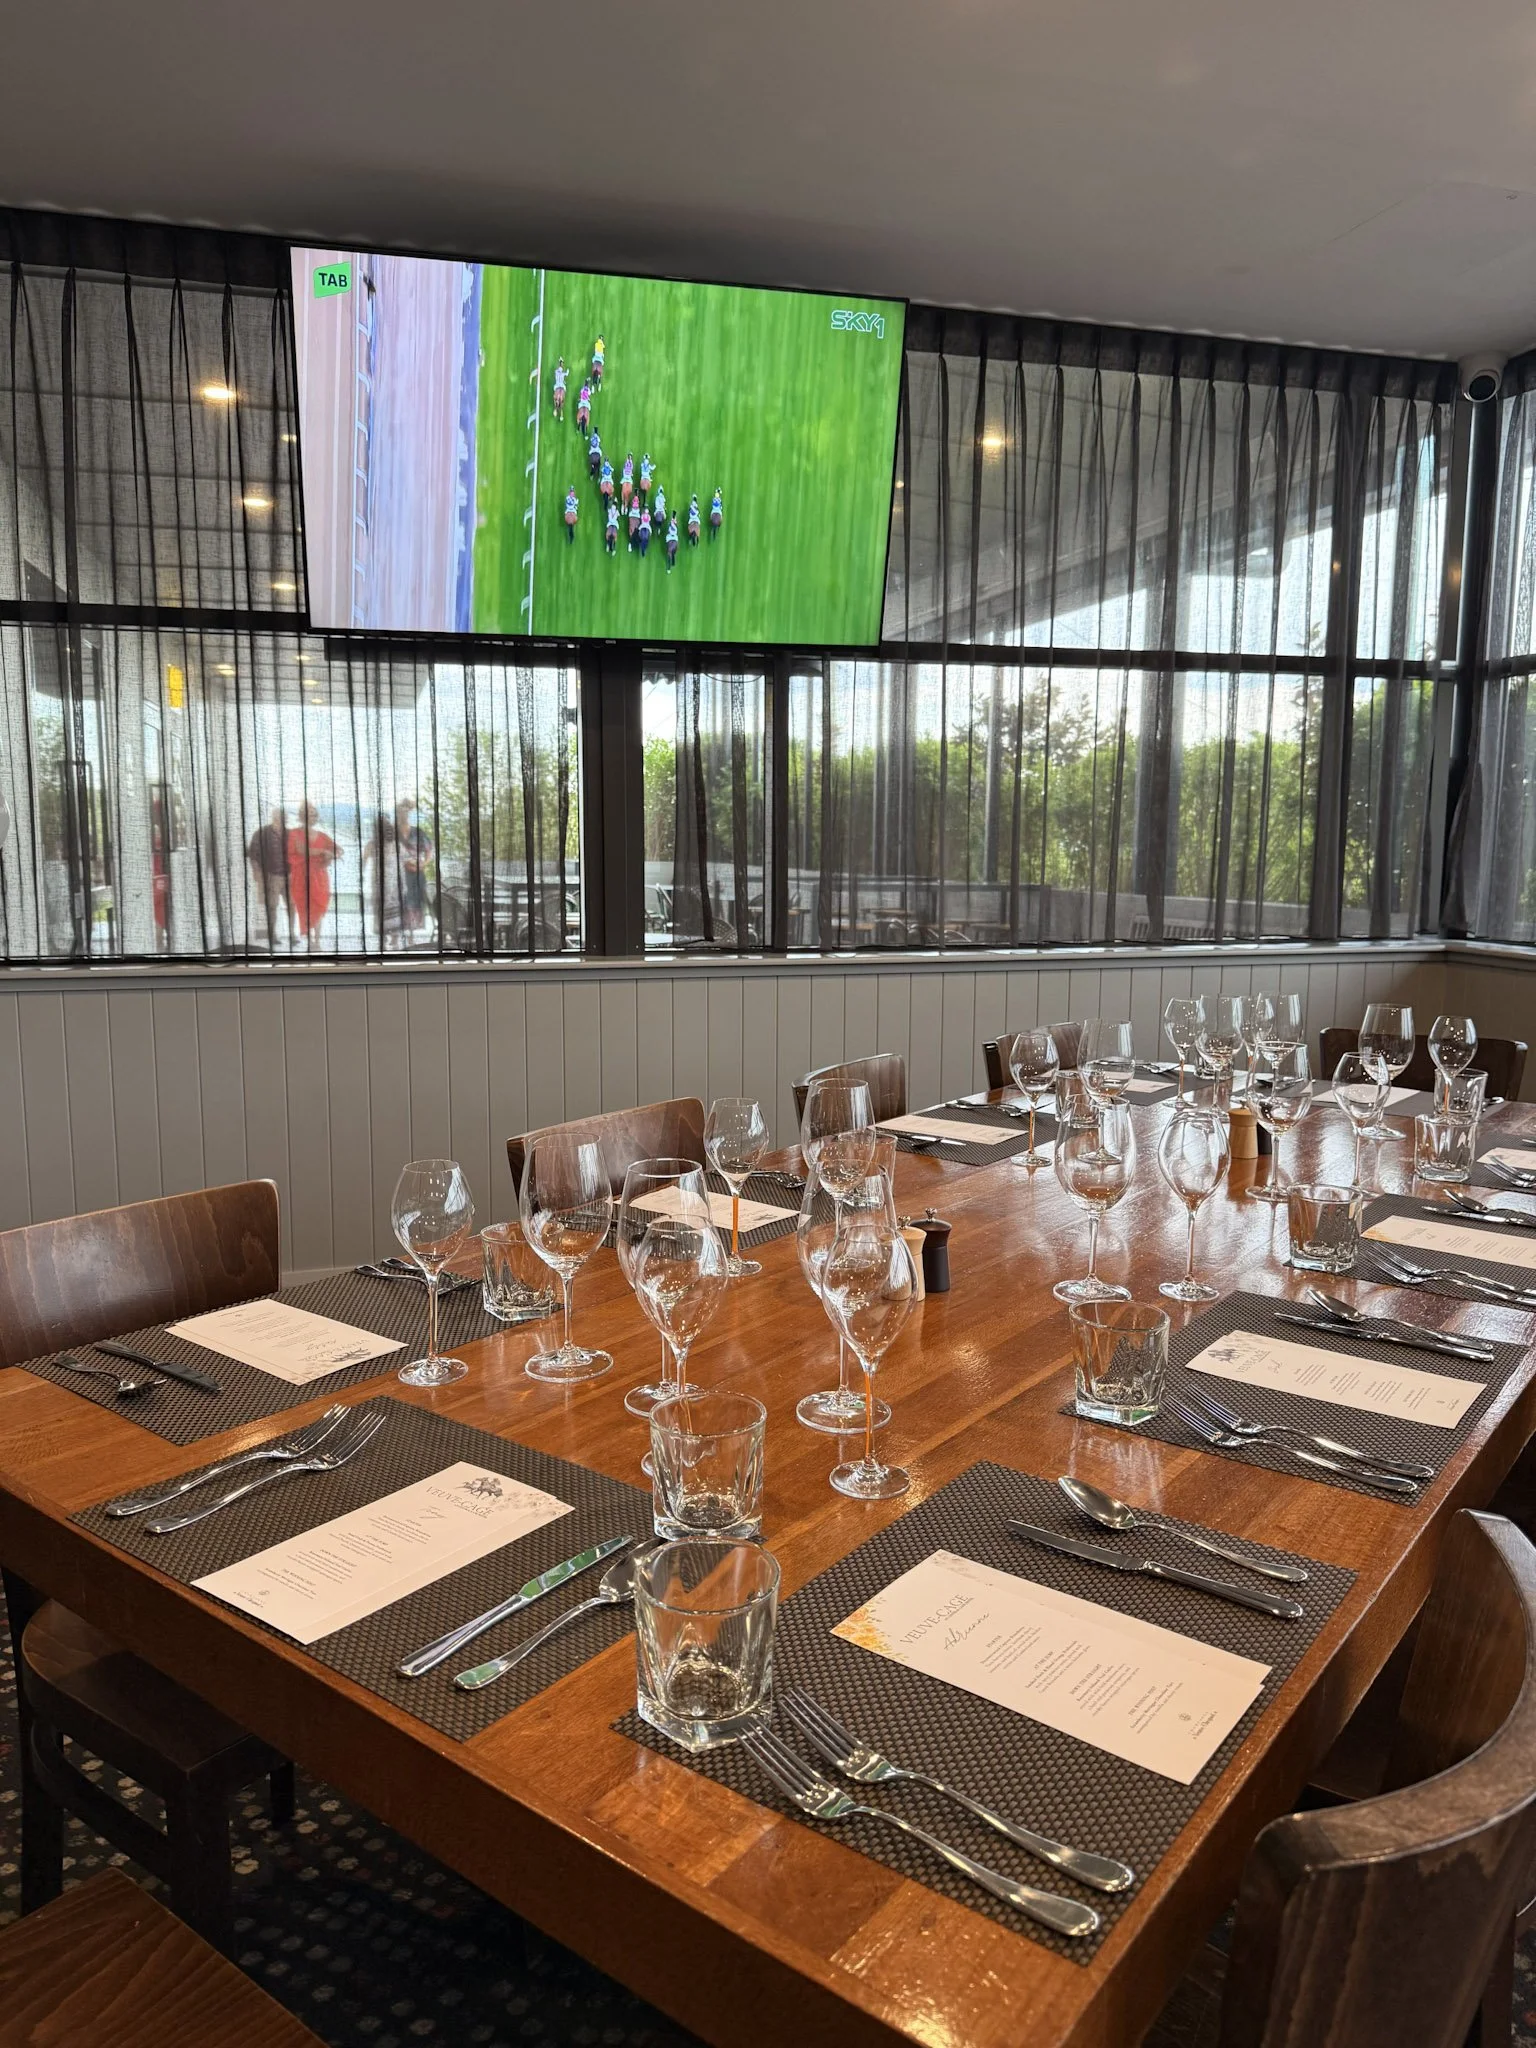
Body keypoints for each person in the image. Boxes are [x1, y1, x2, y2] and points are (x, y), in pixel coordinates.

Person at [286, 801, 336, 952]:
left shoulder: (322, 835)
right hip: (301, 875)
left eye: (314, 815)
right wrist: (322, 852)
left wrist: (329, 856)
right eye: (309, 815)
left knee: (319, 907)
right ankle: (309, 941)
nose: (312, 817)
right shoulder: (294, 833)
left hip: (319, 876)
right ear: (302, 816)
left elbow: (338, 850)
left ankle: (317, 941)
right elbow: (300, 851)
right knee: (304, 908)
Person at [245, 805, 289, 950]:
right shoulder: (262, 833)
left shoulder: (290, 833)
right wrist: (256, 872)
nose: (283, 819)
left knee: (292, 905)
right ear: (274, 817)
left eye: (285, 817)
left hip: (289, 876)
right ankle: (272, 935)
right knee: (272, 907)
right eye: (280, 816)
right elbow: (253, 854)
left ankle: (293, 935)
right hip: (272, 876)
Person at [396, 799, 433, 939]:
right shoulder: (392, 832)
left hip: (417, 872)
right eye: (401, 813)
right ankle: (397, 935)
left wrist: (423, 864)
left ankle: (411, 934)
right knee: (401, 902)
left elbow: (429, 850)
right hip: (399, 872)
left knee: (415, 902)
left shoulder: (418, 832)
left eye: (406, 813)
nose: (403, 816)